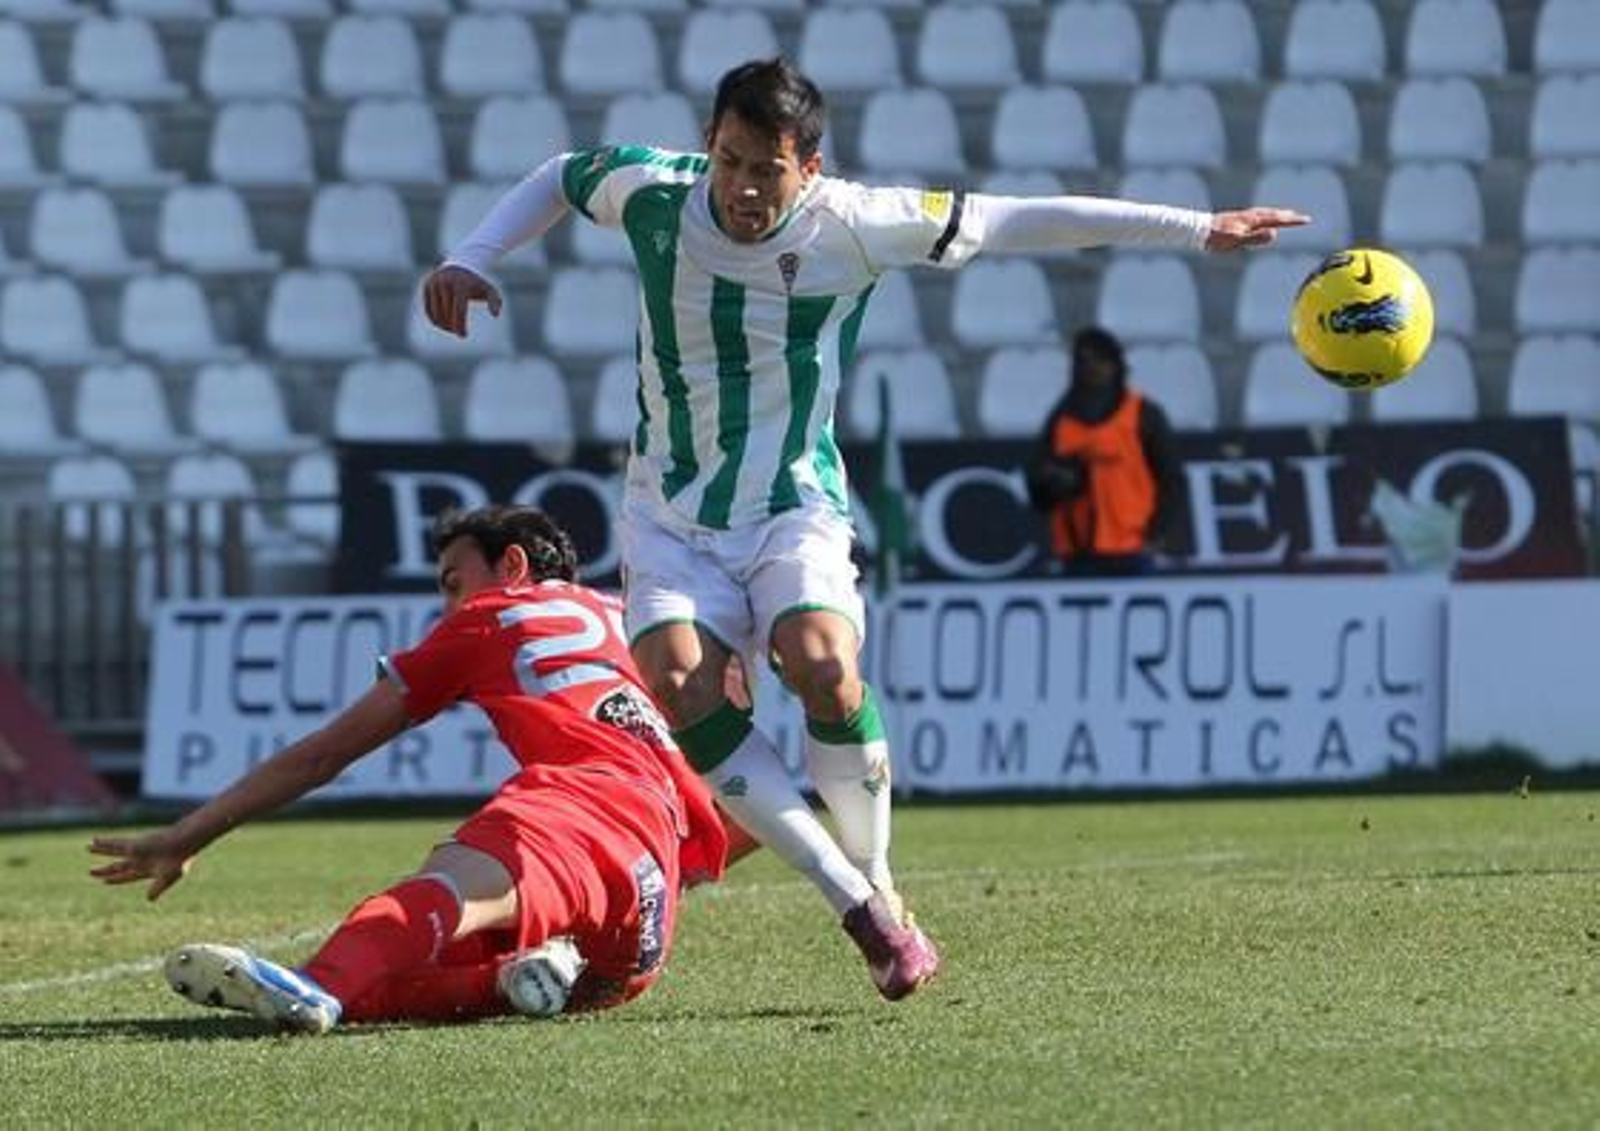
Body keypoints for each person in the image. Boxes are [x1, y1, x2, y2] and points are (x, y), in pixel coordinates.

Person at [421, 57, 1307, 1001]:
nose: (743, 186)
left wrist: (1195, 228)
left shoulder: (856, 221)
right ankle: (856, 899)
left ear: (809, 165)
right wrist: (473, 254)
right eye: (728, 159)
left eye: (767, 167)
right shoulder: (653, 191)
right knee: (682, 684)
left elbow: (1016, 220)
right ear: (708, 144)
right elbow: (560, 175)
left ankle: (876, 875)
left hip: (794, 502)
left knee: (823, 665)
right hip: (669, 515)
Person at [88, 505, 748, 1032]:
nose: (449, 608)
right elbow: (737, 790)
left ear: (512, 564)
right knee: (409, 972)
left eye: (455, 583)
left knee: (445, 888)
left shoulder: (497, 613)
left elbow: (324, 753)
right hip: (644, 928)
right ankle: (517, 974)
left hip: (584, 805)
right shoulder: (639, 620)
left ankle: (315, 983)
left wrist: (189, 833)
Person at [1025, 328, 1179, 578]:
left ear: (1116, 366)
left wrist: (1155, 533)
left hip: (1132, 551)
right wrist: (1056, 482)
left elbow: (1172, 480)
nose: (1092, 368)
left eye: (1100, 360)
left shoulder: (1143, 414)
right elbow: (1036, 484)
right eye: (1083, 361)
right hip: (1077, 554)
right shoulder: (1061, 418)